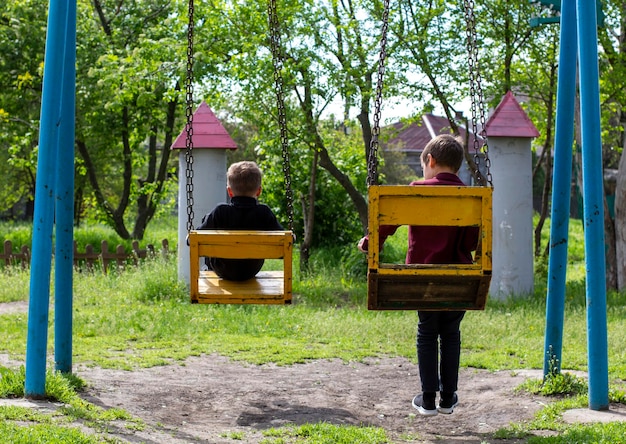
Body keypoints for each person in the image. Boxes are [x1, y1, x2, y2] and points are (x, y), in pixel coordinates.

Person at [358, 134, 479, 416]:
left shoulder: (417, 189)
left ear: (430, 160)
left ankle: (427, 400)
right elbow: (471, 243)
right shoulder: (471, 195)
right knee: (451, 334)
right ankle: (447, 399)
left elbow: (387, 222)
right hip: (458, 277)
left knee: (427, 332)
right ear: (458, 168)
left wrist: (369, 242)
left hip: (421, 276)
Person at [195, 160, 284, 281]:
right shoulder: (264, 212)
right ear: (259, 191)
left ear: (229, 191)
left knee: (208, 220)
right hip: (250, 270)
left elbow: (196, 238)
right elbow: (283, 240)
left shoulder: (220, 211)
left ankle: (209, 268)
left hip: (222, 269)